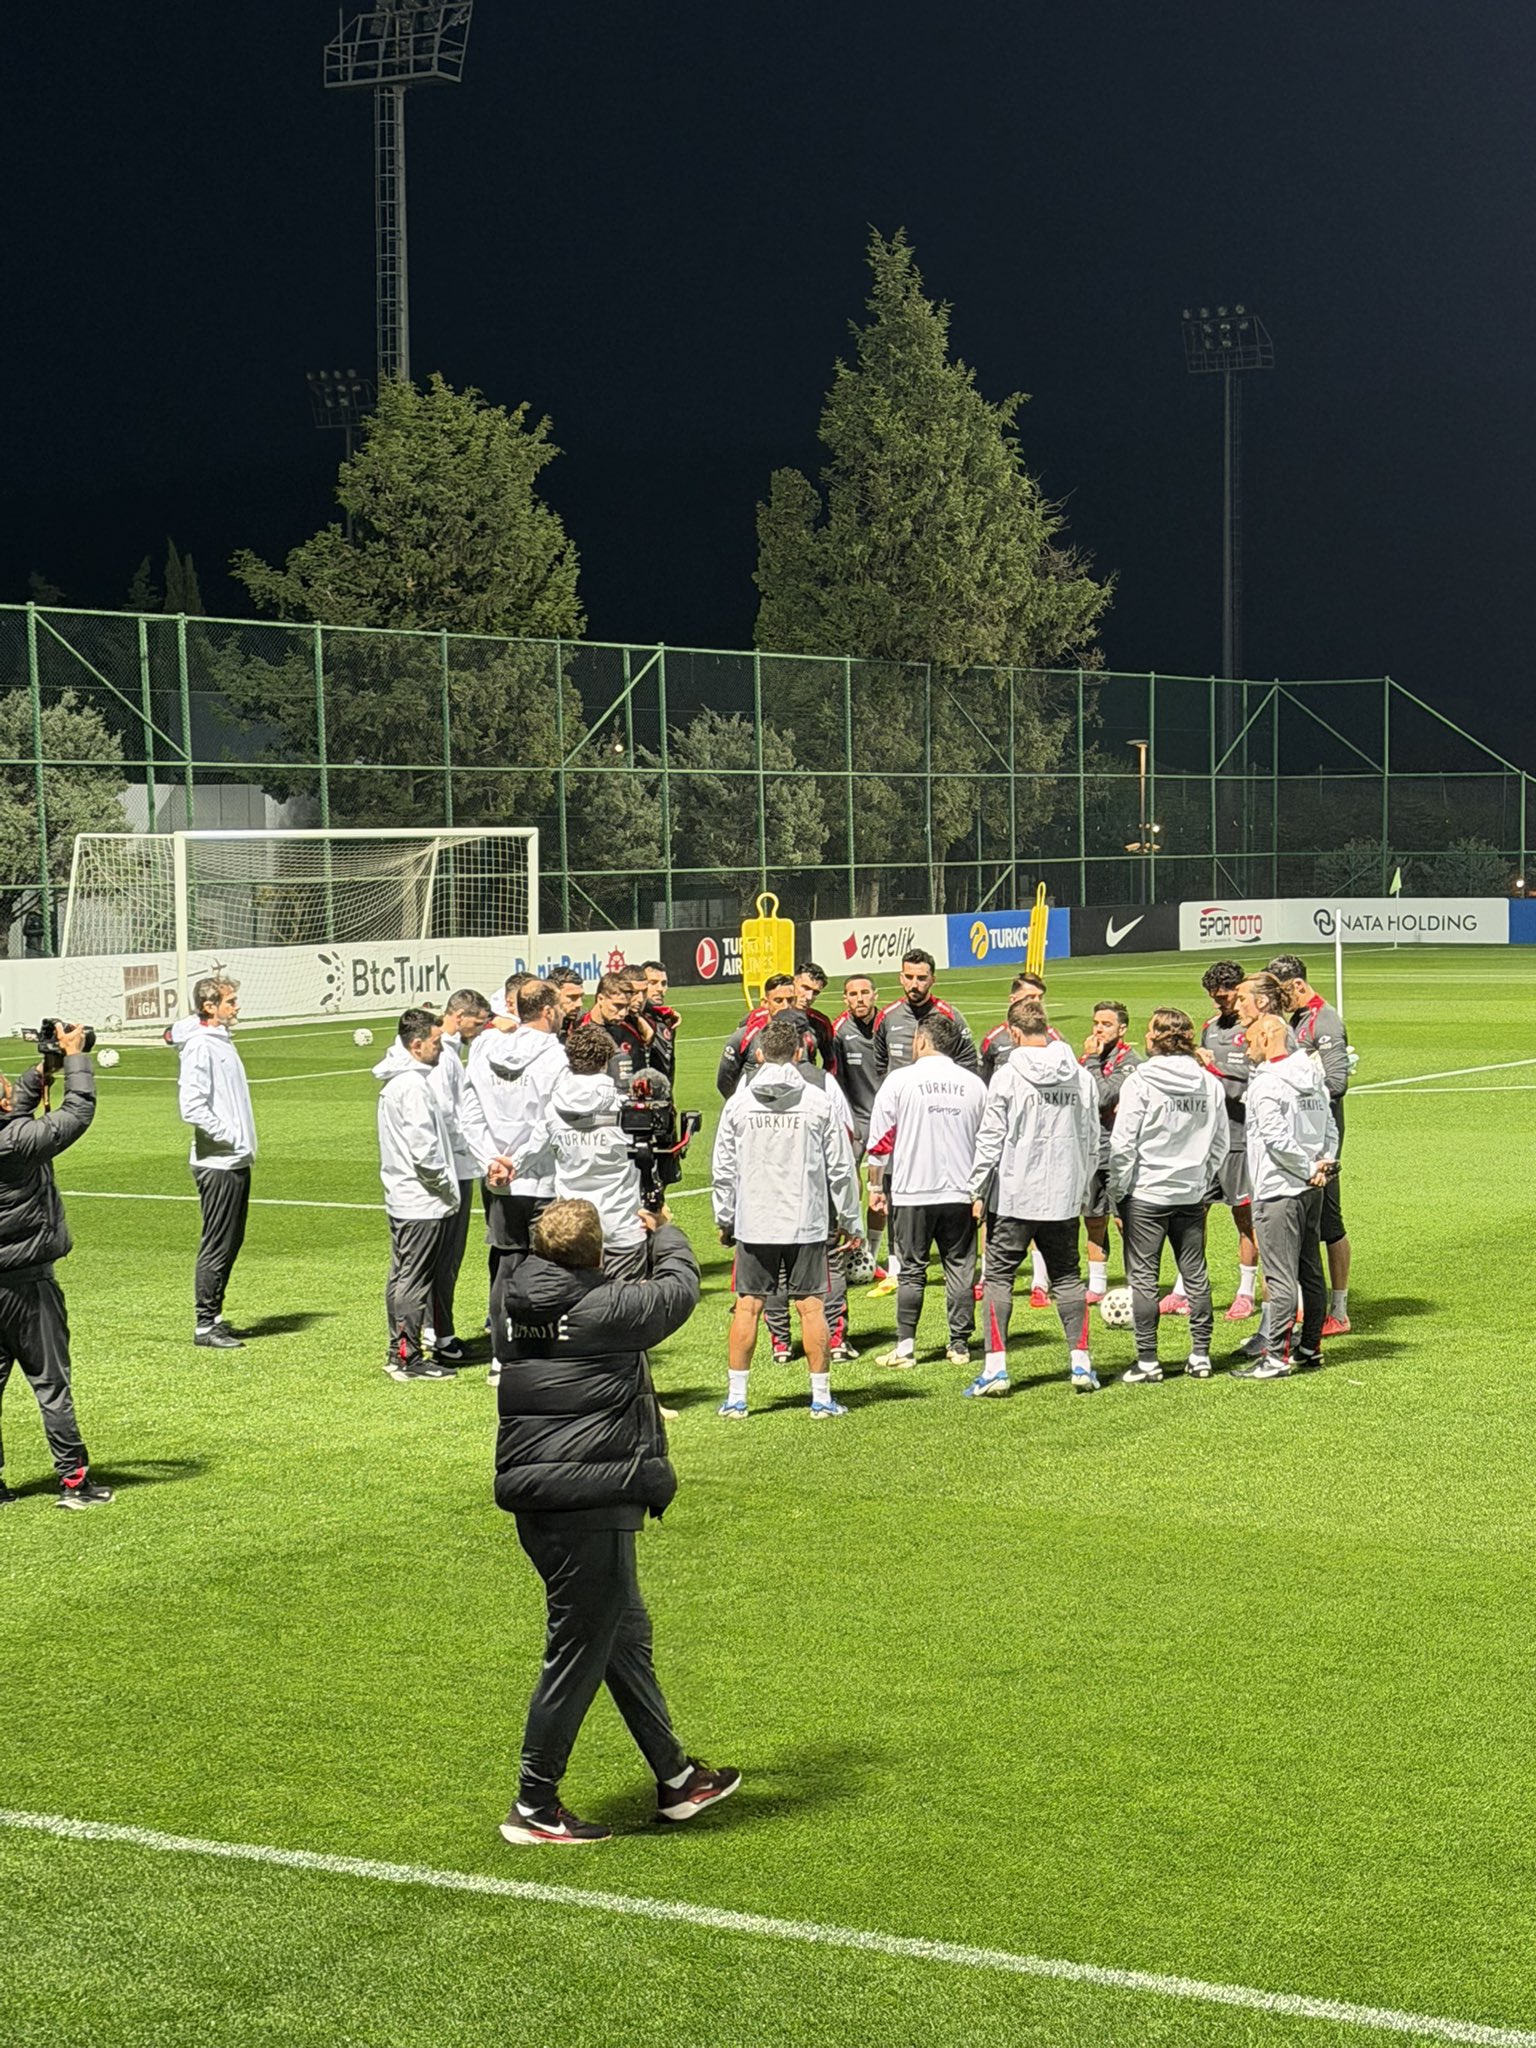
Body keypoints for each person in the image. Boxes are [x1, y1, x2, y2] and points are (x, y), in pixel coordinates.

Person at [495, 1197, 740, 1845]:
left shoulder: (513, 1299)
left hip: (540, 1494)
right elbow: (680, 1292)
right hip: (589, 1500)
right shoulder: (602, 1309)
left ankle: (678, 1778)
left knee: (621, 1635)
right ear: (596, 1254)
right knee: (578, 1651)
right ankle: (534, 1804)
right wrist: (666, 1234)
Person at [711, 1012, 862, 1419]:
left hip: (755, 1220)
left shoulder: (739, 1103)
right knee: (811, 1306)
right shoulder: (817, 1100)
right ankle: (821, 1398)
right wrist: (850, 1219)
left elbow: (723, 1168)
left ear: (758, 1054)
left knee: (748, 1306)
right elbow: (841, 1167)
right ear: (799, 1052)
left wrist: (725, 1217)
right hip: (805, 1219)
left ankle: (737, 1398)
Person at [0, 1026, 112, 1509]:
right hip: (28, 1286)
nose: (11, 1086)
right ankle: (74, 1482)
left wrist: (46, 1068)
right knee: (51, 1384)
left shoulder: (10, 1132)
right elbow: (77, 1113)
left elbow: (19, 1109)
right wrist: (76, 1059)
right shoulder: (16, 1142)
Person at [966, 998, 1099, 1396]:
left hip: (1014, 1194)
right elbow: (1092, 1138)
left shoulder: (1006, 1077)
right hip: (1062, 1194)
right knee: (1068, 1278)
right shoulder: (1079, 1076)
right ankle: (1081, 1364)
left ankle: (996, 1368)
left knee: (1000, 1277)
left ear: (1014, 1033)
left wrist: (976, 1187)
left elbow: (990, 1138)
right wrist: (1082, 1183)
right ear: (1049, 1030)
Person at [1108, 1007, 1228, 1383]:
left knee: (1143, 1277)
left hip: (1146, 1193)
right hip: (1190, 1192)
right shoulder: (1209, 1083)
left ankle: (1148, 1361)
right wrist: (1200, 1178)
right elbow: (1220, 1142)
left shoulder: (1139, 1081)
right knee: (1195, 1272)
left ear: (1156, 1038)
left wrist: (1119, 1188)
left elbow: (1123, 1144)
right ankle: (1201, 1356)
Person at [865, 1012, 988, 1369]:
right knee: (961, 1268)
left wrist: (875, 1185)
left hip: (912, 1192)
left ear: (920, 1041)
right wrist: (980, 1192)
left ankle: (905, 1348)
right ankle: (960, 1345)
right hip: (961, 1193)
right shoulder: (974, 1084)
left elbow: (880, 1142)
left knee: (912, 1270)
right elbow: (987, 1141)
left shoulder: (899, 1080)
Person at [1232, 1013, 1338, 1379]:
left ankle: (1275, 1355)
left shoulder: (1267, 1084)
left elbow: (1277, 1140)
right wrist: (1323, 1162)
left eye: (1249, 1041)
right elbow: (1329, 1127)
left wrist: (1307, 1167)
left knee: (1279, 1275)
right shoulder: (1312, 1078)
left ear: (1267, 1037)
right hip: (1311, 1189)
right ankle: (1310, 1347)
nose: (1246, 1049)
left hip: (1279, 1189)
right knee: (1310, 1269)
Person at [1162, 959, 1262, 1324]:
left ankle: (1246, 1293)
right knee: (1193, 1213)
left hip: (1241, 1138)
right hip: (1206, 1140)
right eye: (1214, 998)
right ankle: (1184, 1288)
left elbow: (1252, 1080)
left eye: (1226, 996)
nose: (1221, 1004)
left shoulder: (1255, 1029)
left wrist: (1213, 1071)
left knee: (1244, 1214)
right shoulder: (1209, 1029)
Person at [486, 981, 569, 1378]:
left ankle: (500, 1357)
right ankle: (541, 1348)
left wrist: (494, 1158)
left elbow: (472, 1109)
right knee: (547, 1267)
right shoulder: (555, 1057)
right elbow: (549, 1124)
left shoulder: (489, 1048)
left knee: (506, 1265)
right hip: (540, 1179)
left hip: (502, 1180)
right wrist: (517, 1161)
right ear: (549, 1010)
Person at [375, 1008, 462, 1382]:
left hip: (404, 1196)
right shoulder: (410, 1087)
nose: (441, 1049)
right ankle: (407, 1356)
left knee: (402, 1276)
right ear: (416, 1045)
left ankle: (401, 1350)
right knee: (414, 1279)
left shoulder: (401, 1083)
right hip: (421, 1201)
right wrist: (445, 1186)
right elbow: (424, 1150)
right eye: (436, 1042)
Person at [1268, 953, 1353, 1335]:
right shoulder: (1299, 1019)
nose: (1278, 1000)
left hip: (1322, 1139)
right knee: (1308, 1222)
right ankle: (1309, 1303)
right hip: (1304, 1137)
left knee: (1329, 1222)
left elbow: (1337, 1084)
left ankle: (1339, 1311)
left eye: (1282, 992)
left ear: (1299, 985)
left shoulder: (1325, 1020)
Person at [539, 1021, 654, 1283]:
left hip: (573, 1229)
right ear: (606, 1060)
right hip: (621, 1225)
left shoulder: (553, 1108)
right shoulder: (626, 1108)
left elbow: (536, 1149)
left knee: (575, 1311)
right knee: (625, 1310)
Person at [177, 975, 257, 1350]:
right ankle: (205, 1323)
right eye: (231, 1001)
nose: (237, 1006)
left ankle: (216, 1318)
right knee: (218, 1242)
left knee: (231, 1240)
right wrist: (230, 1136)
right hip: (218, 1161)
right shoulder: (201, 1047)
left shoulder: (217, 1039)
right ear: (210, 1006)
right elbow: (192, 1105)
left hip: (234, 1158)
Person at [426, 988, 495, 1365]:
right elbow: (448, 1116)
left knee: (445, 1257)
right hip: (452, 1168)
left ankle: (434, 1330)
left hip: (454, 1166)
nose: (481, 1029)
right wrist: (473, 1154)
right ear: (459, 1015)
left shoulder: (449, 1053)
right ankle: (441, 1335)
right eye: (478, 1021)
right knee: (446, 1257)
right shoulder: (445, 1058)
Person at [1081, 1000, 1140, 1304]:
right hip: (1090, 1150)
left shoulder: (1130, 1061)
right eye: (1096, 1023)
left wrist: (1091, 1062)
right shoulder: (1087, 1059)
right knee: (1092, 1218)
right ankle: (1097, 1284)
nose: (1099, 1029)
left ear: (1122, 1028)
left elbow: (1103, 1097)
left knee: (1123, 1220)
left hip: (1119, 1151)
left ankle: (1137, 1281)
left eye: (1106, 1024)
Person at [831, 973, 884, 1270]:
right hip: (854, 1117)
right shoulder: (839, 1031)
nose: (860, 998)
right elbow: (835, 1079)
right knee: (849, 1180)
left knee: (883, 1186)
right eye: (853, 994)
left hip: (886, 1118)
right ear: (845, 999)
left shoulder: (889, 1024)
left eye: (865, 992)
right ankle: (854, 1244)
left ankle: (873, 1254)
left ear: (875, 995)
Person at [871, 949, 978, 1082]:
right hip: (903, 1099)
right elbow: (880, 1065)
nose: (914, 984)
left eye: (921, 978)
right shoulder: (886, 1017)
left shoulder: (951, 1016)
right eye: (909, 977)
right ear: (901, 978)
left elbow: (968, 1062)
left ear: (933, 980)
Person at [715, 974, 801, 1099]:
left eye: (790, 1000)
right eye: (778, 1000)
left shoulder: (806, 1035)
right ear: (765, 1003)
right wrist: (743, 1105)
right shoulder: (744, 1036)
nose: (785, 1006)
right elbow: (724, 1081)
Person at [584, 971, 652, 1072]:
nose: (623, 1013)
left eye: (626, 1006)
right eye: (618, 1006)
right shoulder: (579, 1028)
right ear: (600, 999)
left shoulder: (631, 1029)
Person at [791, 962, 841, 1078]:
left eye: (815, 993)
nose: (809, 997)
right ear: (793, 982)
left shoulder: (821, 1022)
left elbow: (832, 1061)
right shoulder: (764, 1017)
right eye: (805, 988)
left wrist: (824, 1084)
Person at [639, 961, 680, 1085]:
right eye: (653, 983)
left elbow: (669, 1065)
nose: (660, 989)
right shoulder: (628, 1019)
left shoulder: (666, 1021)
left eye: (663, 983)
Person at [549, 967, 586, 1044]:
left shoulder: (585, 1023)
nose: (579, 1004)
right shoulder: (538, 1028)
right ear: (553, 995)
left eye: (581, 996)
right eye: (572, 997)